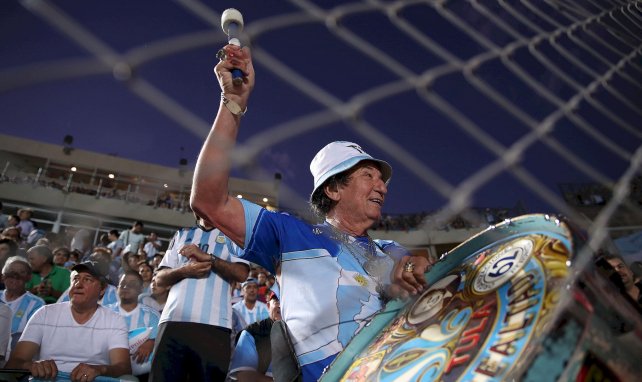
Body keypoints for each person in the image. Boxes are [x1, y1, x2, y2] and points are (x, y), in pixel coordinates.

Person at [190, 43, 432, 381]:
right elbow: (209, 201)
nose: (382, 186)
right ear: (333, 189)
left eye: (381, 178)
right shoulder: (290, 233)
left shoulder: (384, 249)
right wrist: (232, 105)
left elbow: (413, 262)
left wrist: (417, 265)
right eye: (368, 176)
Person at [149, 218, 250, 381]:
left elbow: (241, 273)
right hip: (173, 322)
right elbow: (159, 278)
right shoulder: (182, 234)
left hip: (214, 325)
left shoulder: (234, 237)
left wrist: (209, 258)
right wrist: (184, 271)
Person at [6, 260, 131, 380]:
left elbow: (123, 368)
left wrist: (99, 370)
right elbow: (14, 363)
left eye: (87, 280)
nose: (78, 284)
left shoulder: (114, 320)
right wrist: (31, 365)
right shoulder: (45, 313)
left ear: (102, 290)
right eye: (75, 279)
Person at [106, 271, 160, 377]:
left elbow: (161, 343)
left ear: (141, 289)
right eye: (123, 283)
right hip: (107, 371)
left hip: (143, 373)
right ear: (117, 287)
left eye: (132, 284)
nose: (126, 286)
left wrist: (151, 342)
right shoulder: (104, 313)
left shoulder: (152, 316)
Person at [228, 288, 282, 381]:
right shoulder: (252, 333)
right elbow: (245, 377)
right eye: (277, 300)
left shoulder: (305, 332)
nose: (281, 305)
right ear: (268, 306)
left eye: (285, 300)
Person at [0, 257, 45, 350]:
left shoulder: (37, 304)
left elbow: (33, 336)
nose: (15, 276)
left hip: (15, 353)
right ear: (3, 276)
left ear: (29, 277)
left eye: (22, 272)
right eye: (11, 271)